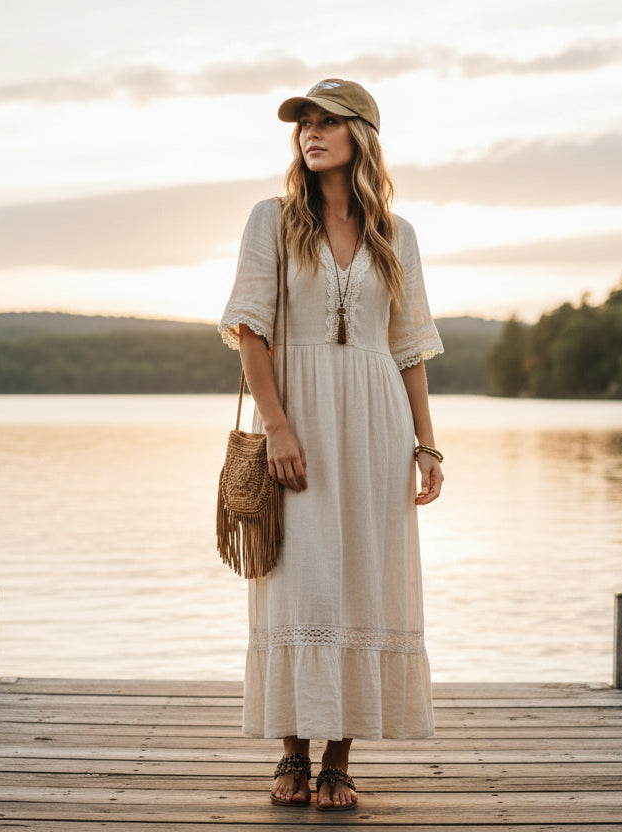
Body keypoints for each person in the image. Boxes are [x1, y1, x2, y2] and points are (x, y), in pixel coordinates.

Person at [218, 78, 444, 811]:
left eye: (328, 121)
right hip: (301, 419)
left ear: (362, 136)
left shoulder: (397, 234)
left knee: (362, 581)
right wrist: (277, 426)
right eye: (304, 122)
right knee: (298, 580)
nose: (311, 132)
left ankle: (339, 761)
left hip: (377, 426)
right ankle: (291, 751)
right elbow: (250, 329)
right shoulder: (273, 220)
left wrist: (427, 446)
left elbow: (408, 349)